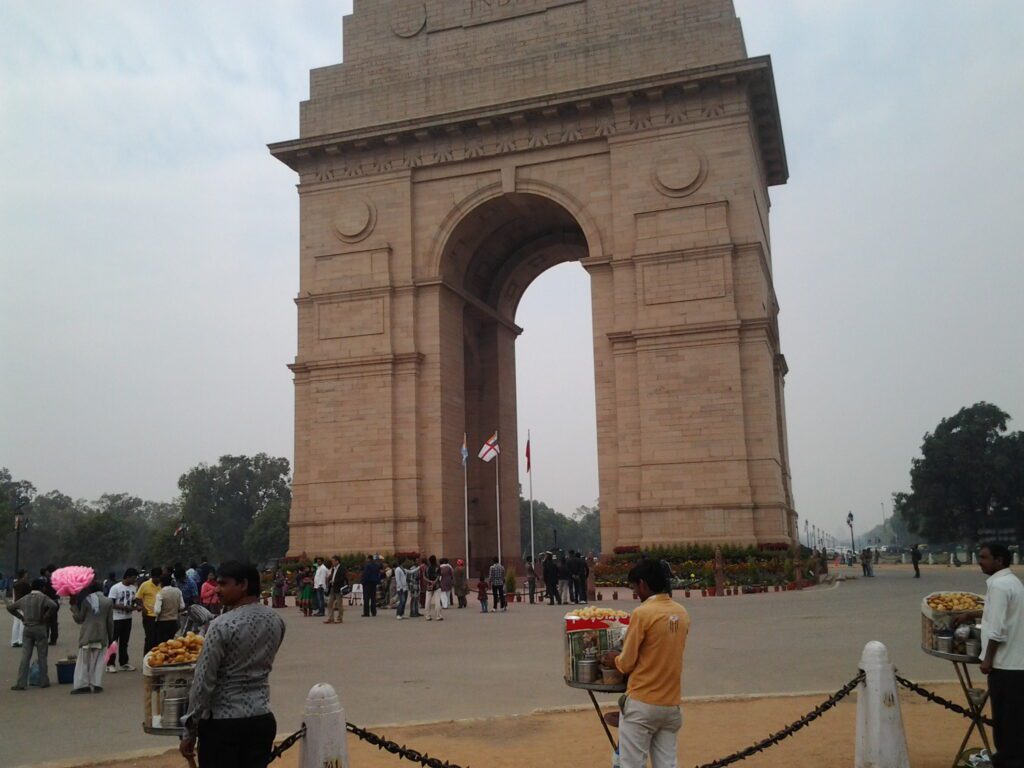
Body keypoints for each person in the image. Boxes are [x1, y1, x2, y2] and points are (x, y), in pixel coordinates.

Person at [180, 561, 286, 768]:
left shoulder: (221, 625)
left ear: (243, 584)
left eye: (223, 584)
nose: (217, 590)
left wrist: (189, 731)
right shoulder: (276, 621)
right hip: (261, 718)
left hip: (223, 724)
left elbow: (203, 684)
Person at [601, 560, 690, 768]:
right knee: (667, 765)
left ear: (643, 584)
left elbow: (627, 663)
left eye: (634, 588)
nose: (635, 593)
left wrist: (613, 659)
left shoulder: (642, 613)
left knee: (631, 764)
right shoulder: (682, 613)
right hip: (671, 705)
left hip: (642, 704)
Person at [956, 543, 1024, 767]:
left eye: (984, 557)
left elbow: (996, 629)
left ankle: (1007, 760)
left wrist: (987, 660)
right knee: (1015, 719)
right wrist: (971, 614)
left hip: (1005, 665)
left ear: (999, 561)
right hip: (1017, 664)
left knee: (1005, 722)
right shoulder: (1012, 582)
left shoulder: (999, 586)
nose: (979, 561)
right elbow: (998, 612)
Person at [8, 578, 57, 690]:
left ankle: (21, 682)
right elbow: (53, 606)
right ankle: (43, 681)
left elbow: (10, 608)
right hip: (40, 627)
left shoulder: (24, 598)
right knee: (42, 655)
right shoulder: (43, 598)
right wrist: (45, 616)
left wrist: (21, 617)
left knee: (25, 656)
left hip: (27, 628)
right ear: (41, 588)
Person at [70, 582, 114, 694]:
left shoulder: (86, 600)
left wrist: (74, 607)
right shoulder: (108, 601)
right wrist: (111, 638)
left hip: (87, 635)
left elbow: (80, 619)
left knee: (84, 662)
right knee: (98, 661)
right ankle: (96, 684)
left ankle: (82, 685)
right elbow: (109, 622)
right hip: (101, 634)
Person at [107, 568, 139, 672]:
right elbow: (111, 604)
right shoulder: (115, 588)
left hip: (128, 618)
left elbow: (134, 601)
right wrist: (124, 607)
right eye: (133, 578)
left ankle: (124, 662)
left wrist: (136, 607)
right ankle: (110, 664)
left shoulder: (133, 588)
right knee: (113, 642)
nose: (135, 580)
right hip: (116, 618)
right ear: (128, 577)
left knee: (124, 642)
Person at [135, 567, 163, 653]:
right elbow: (137, 598)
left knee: (158, 638)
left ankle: (156, 658)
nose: (157, 579)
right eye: (155, 577)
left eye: (159, 577)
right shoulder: (145, 585)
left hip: (160, 616)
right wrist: (143, 608)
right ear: (152, 576)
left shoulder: (162, 585)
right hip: (148, 616)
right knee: (150, 638)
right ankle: (146, 658)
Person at [153, 572, 184, 645]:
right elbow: (182, 606)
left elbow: (157, 611)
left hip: (163, 623)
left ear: (161, 583)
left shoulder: (160, 593)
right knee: (173, 644)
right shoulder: (178, 591)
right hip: (174, 621)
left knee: (162, 644)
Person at [324, 555, 348, 624]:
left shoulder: (342, 568)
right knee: (329, 603)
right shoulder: (333, 568)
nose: (332, 562)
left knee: (339, 604)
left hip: (339, 588)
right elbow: (333, 576)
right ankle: (330, 618)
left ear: (337, 561)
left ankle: (339, 618)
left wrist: (335, 581)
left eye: (333, 561)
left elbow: (343, 578)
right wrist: (330, 579)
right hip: (332, 588)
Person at [41, 565, 60, 645]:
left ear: (49, 571)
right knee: (54, 621)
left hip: (48, 602)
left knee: (47, 621)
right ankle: (54, 639)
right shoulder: (58, 580)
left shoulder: (48, 581)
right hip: (55, 601)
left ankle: (45, 638)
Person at [10, 570, 30, 647]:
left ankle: (14, 640)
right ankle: (21, 640)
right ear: (23, 575)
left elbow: (14, 595)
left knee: (16, 623)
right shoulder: (25, 584)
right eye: (26, 574)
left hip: (16, 604)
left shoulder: (15, 584)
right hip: (23, 604)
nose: (27, 576)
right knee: (23, 622)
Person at [424, 555, 443, 621]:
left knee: (428, 601)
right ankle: (438, 616)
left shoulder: (427, 568)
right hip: (436, 585)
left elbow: (424, 577)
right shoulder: (437, 567)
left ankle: (427, 615)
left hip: (429, 586)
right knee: (437, 601)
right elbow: (438, 576)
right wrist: (434, 582)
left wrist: (430, 581)